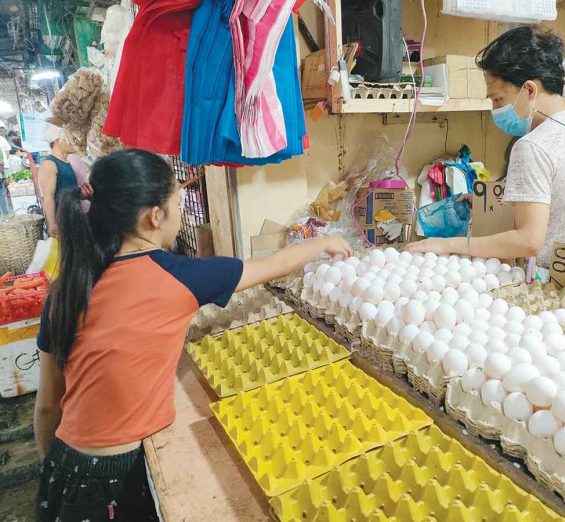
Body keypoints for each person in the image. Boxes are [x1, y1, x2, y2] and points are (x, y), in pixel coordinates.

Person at [33, 148, 351, 520]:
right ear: (155, 217)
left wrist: (52, 468)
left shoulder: (65, 288)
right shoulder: (177, 277)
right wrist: (322, 243)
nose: (181, 212)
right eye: (179, 204)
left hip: (64, 470)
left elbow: (47, 406)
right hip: (119, 481)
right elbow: (271, 267)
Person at [407, 26, 565, 267]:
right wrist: (492, 203)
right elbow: (556, 205)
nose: (495, 109)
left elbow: (529, 241)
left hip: (548, 280)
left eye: (498, 99)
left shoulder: (532, 146)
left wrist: (446, 245)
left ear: (530, 90)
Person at [38, 125, 79, 237]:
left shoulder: (66, 163)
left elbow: (66, 190)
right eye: (69, 138)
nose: (73, 141)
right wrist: (52, 223)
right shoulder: (49, 164)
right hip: (61, 219)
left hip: (73, 216)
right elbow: (48, 197)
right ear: (57, 141)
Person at [0, 127, 12, 215]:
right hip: (3, 168)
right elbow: (7, 154)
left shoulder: (2, 139)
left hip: (2, 168)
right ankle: (6, 215)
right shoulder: (2, 139)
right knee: (2, 192)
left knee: (2, 192)